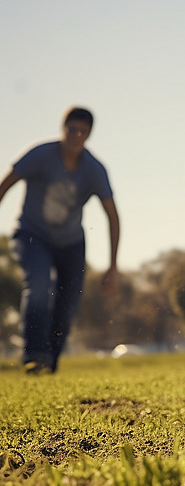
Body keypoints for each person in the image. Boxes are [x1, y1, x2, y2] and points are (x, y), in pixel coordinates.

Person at [0, 107, 120, 373]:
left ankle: (49, 363)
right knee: (40, 285)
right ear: (63, 128)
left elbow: (112, 215)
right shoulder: (41, 155)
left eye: (82, 132)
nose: (76, 136)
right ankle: (34, 355)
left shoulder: (94, 169)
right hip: (32, 235)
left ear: (88, 135)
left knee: (67, 307)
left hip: (71, 243)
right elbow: (5, 184)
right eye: (72, 129)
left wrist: (112, 267)